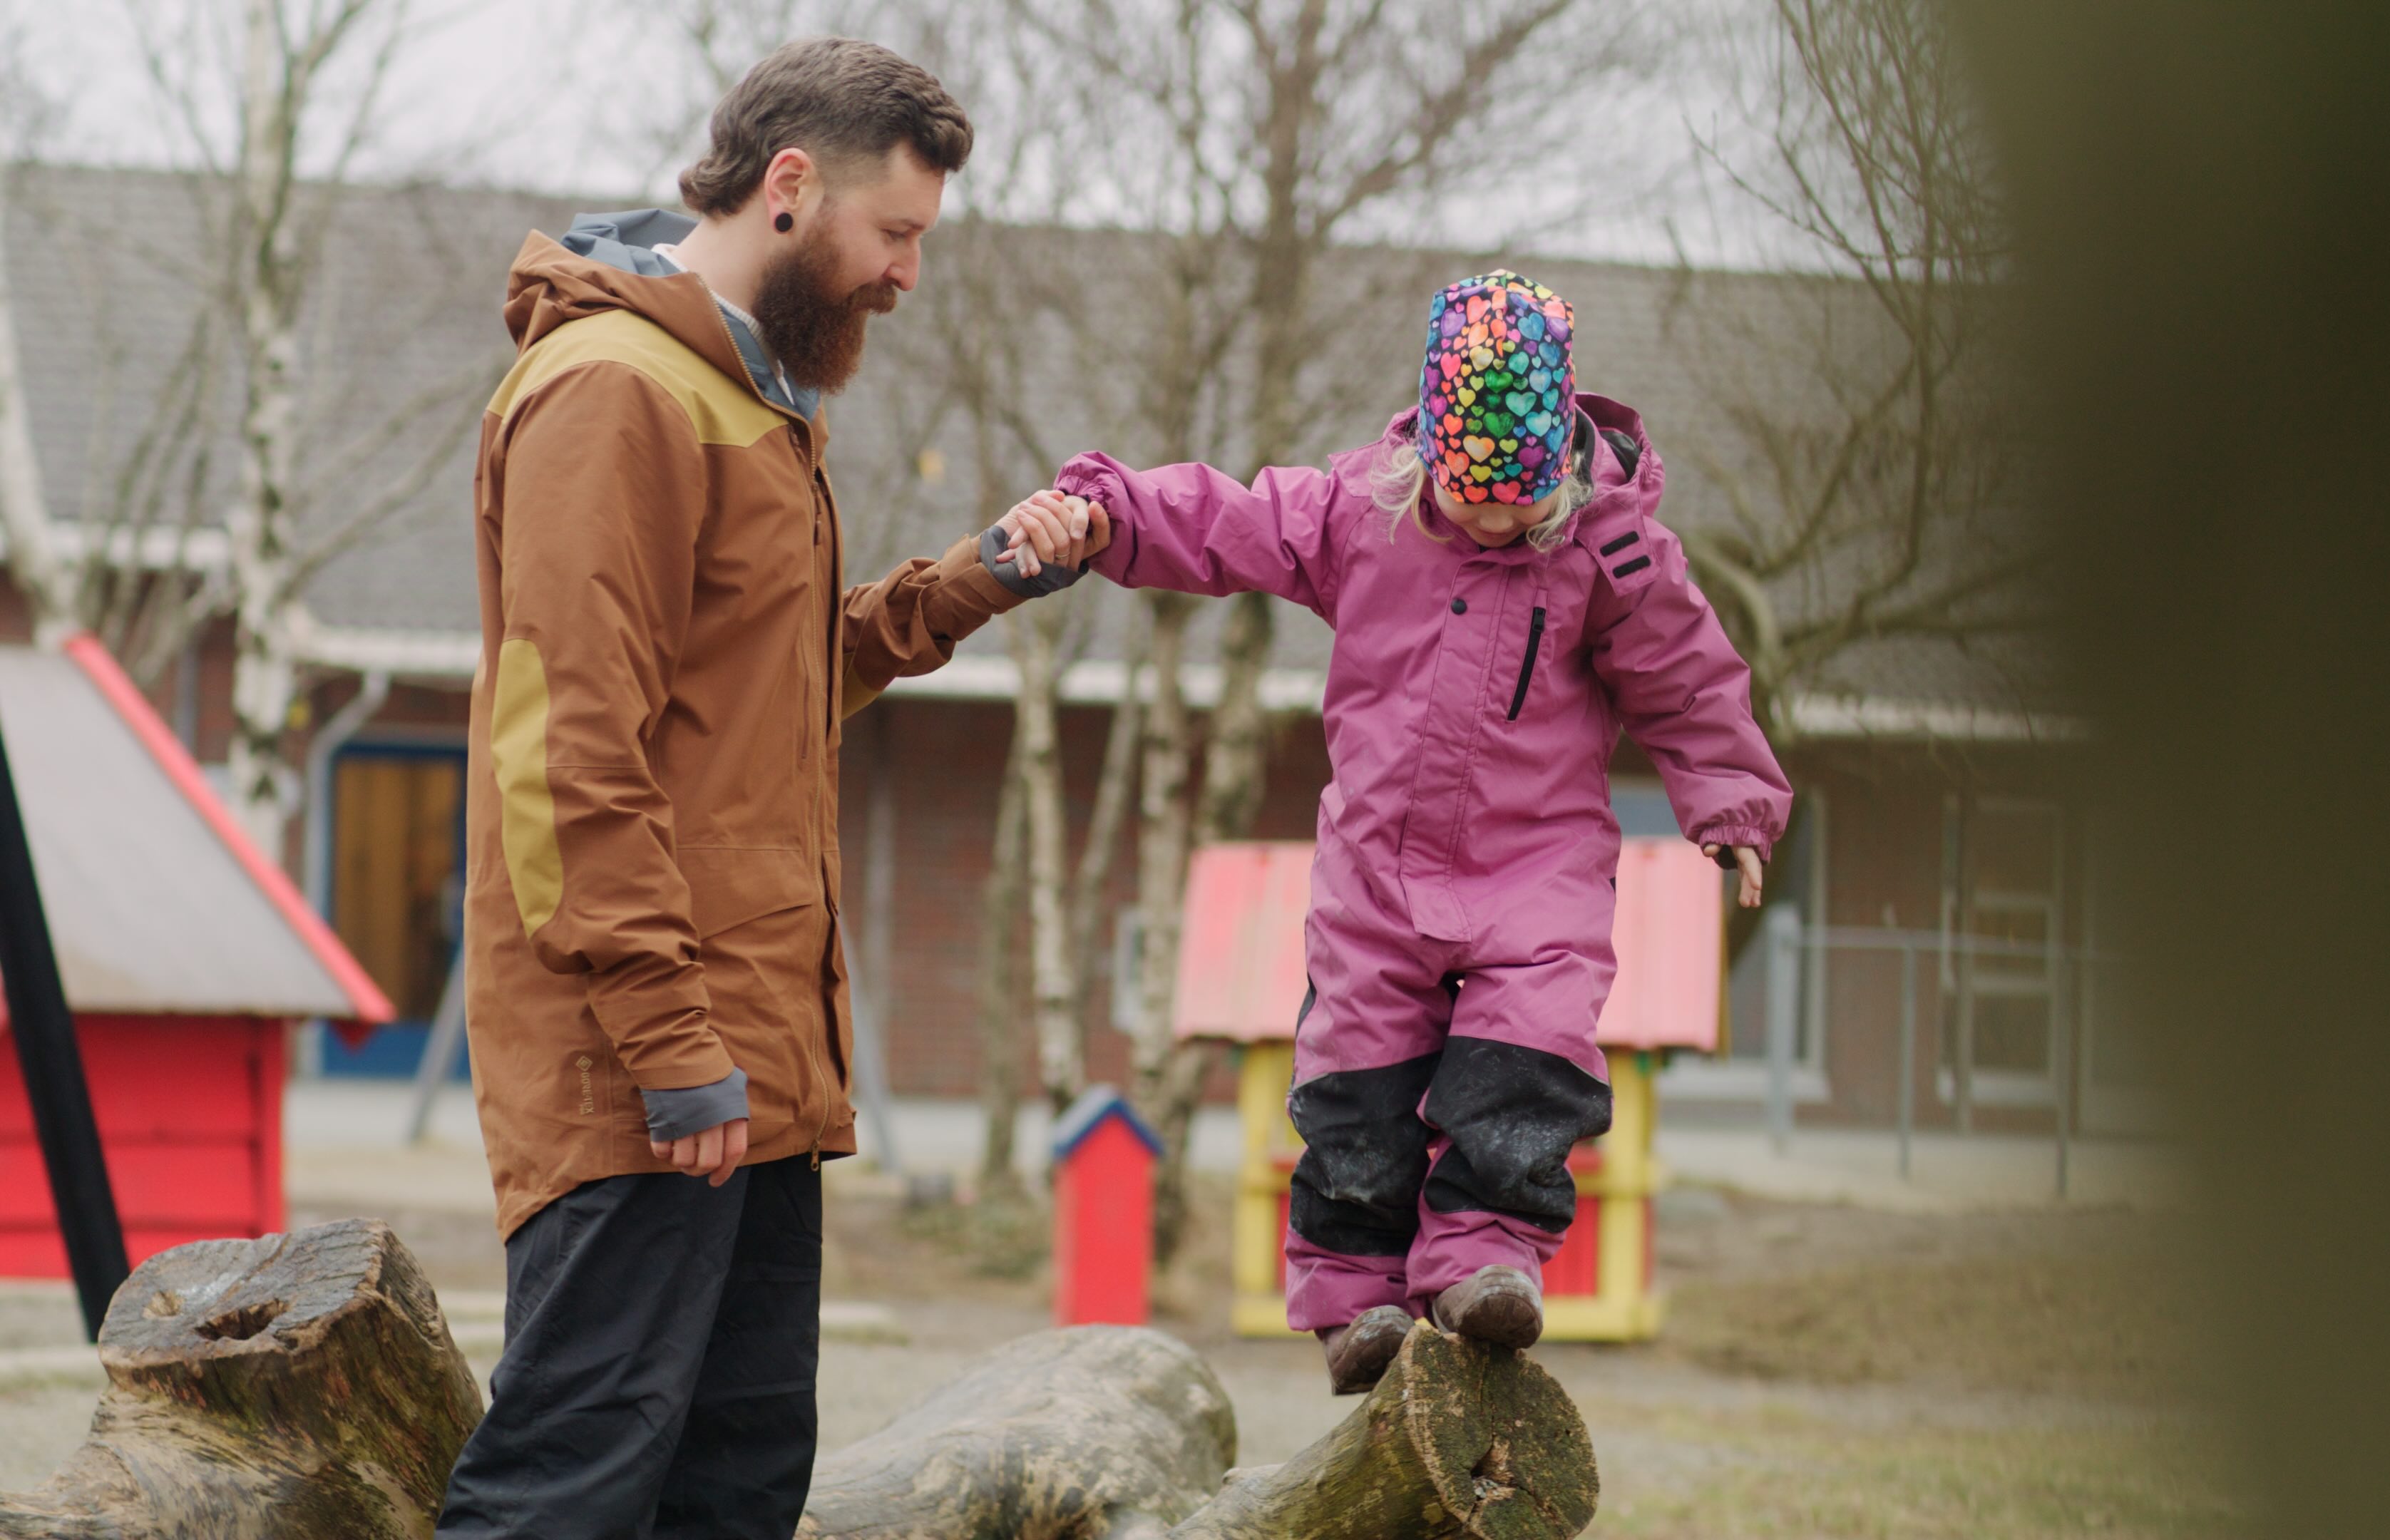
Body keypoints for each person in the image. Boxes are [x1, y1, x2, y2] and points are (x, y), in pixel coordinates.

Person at [436, 38, 1104, 1539]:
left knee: (735, 1488)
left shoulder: (749, 391)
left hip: (754, 1069)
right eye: (898, 233)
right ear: (791, 187)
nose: (907, 275)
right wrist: (672, 1042)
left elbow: (758, 694)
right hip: (640, 1067)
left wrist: (967, 585)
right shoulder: (614, 391)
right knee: (572, 1488)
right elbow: (567, 753)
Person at [999, 270, 1788, 1393]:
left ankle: (1483, 1263)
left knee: (1531, 1065)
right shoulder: (1360, 514)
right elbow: (1227, 521)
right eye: (1470, 497)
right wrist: (1105, 514)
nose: (1493, 520)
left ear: (1560, 464)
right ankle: (1352, 1301)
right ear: (1429, 456)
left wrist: (1733, 804)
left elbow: (1688, 679)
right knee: (1354, 1087)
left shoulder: (1610, 554)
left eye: (1519, 501)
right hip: (1379, 874)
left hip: (1537, 874)